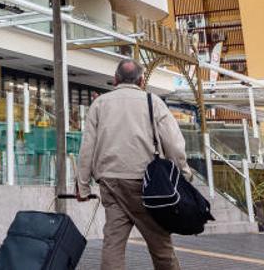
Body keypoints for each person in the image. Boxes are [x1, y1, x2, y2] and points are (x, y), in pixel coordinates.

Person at [75, 60, 186, 270]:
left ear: (115, 79)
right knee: (161, 246)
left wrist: (83, 186)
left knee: (113, 244)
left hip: (111, 182)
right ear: (142, 80)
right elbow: (174, 143)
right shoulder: (153, 101)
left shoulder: (100, 104)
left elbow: (87, 146)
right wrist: (183, 173)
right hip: (148, 185)